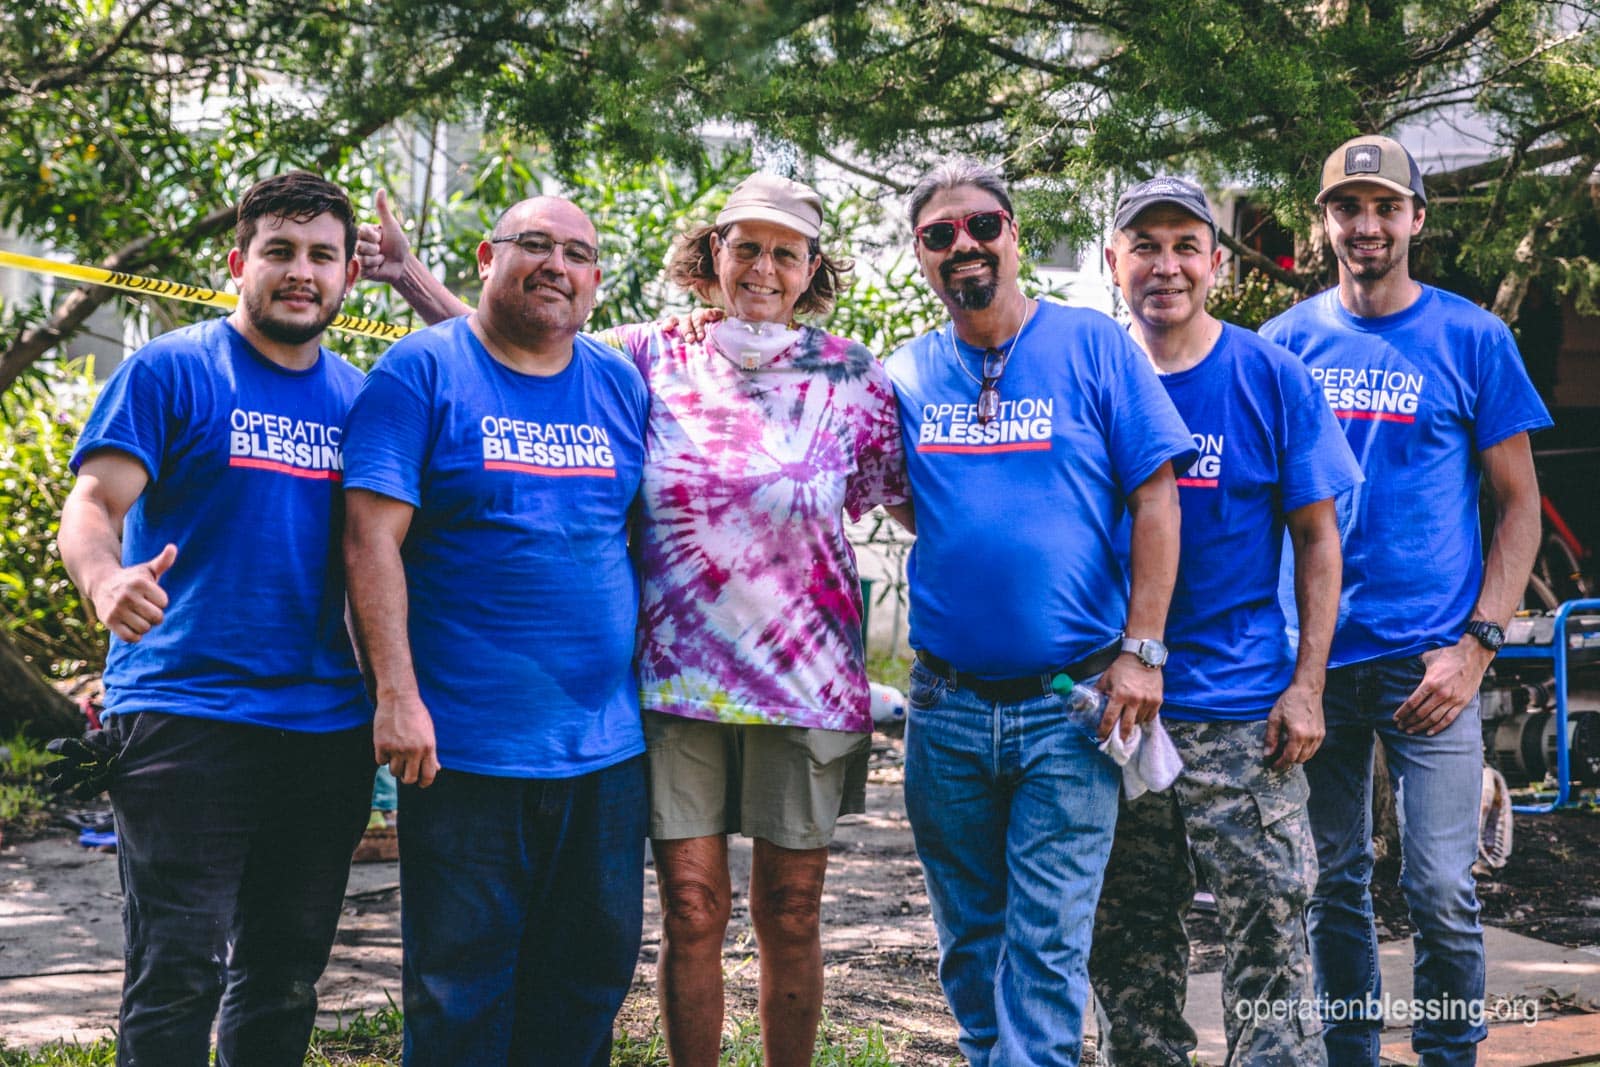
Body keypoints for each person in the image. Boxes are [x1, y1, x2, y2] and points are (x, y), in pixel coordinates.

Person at [355, 172, 911, 1067]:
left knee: (792, 908)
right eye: (746, 246)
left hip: (808, 681)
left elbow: (921, 502)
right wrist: (415, 279)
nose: (763, 267)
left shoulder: (854, 375)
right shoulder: (647, 353)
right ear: (712, 254)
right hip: (673, 680)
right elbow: (517, 350)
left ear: (812, 268)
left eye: (786, 252)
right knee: (691, 907)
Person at [56, 171, 374, 1067]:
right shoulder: (171, 368)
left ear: (348, 275)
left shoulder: (361, 399)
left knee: (284, 975)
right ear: (239, 263)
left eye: (322, 255)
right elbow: (90, 505)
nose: (301, 271)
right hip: (185, 716)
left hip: (323, 727)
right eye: (280, 251)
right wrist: (103, 581)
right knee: (176, 968)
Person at [884, 159, 1195, 1067]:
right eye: (939, 235)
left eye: (982, 225)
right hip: (942, 710)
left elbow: (1158, 499)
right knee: (970, 942)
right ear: (921, 254)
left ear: (1014, 234)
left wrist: (1143, 651)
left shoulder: (1094, 345)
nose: (963, 246)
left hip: (1072, 704)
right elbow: (915, 505)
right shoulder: (905, 371)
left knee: (1049, 946)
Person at [1260, 134, 1551, 1067]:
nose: (1368, 223)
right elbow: (1254, 509)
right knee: (1332, 882)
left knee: (1438, 885)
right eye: (1349, 207)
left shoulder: (1472, 337)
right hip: (1314, 664)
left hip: (1431, 664)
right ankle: (1351, 1054)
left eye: (1387, 206)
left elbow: (1521, 511)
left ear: (1417, 218)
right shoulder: (1283, 344)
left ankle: (1449, 1056)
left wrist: (1476, 647)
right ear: (1326, 223)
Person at [341, 195, 651, 1066]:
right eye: (536, 244)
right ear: (487, 255)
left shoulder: (617, 383)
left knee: (589, 976)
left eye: (579, 253)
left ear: (595, 279)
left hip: (606, 753)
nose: (558, 264)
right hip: (467, 749)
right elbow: (369, 539)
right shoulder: (419, 373)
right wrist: (395, 696)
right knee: (460, 989)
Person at [1088, 177, 1362, 1066]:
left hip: (1241, 717)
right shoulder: (1089, 374)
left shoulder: (1268, 375)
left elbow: (1319, 538)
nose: (1165, 266)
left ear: (1214, 260)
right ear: (1112, 262)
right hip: (1116, 716)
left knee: (1272, 950)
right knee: (1129, 959)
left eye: (1183, 245)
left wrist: (1308, 684)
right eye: (1144, 246)